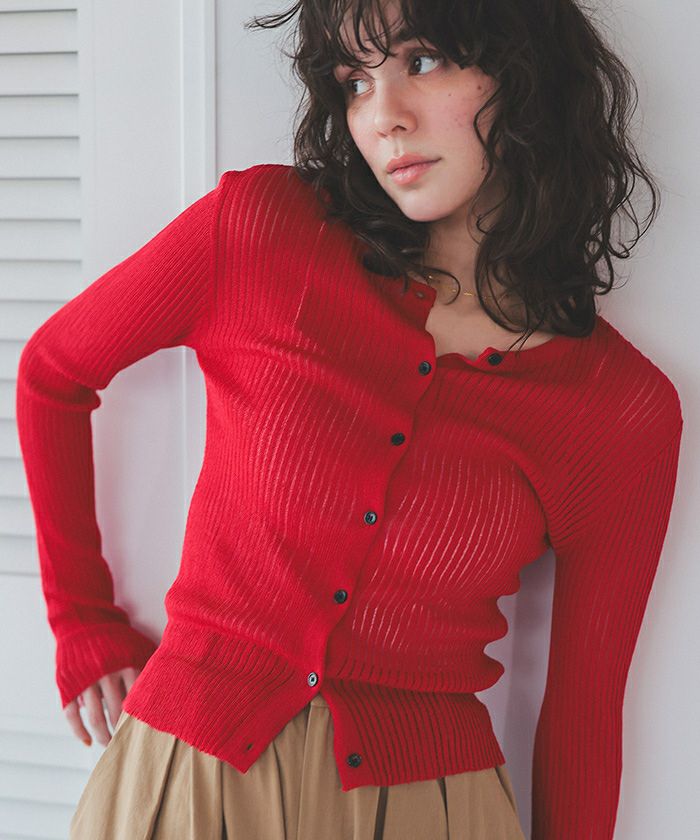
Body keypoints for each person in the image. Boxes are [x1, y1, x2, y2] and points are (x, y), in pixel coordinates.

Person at [15, 1, 683, 838]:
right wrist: (80, 621)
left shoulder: (618, 408)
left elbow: (585, 712)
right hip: (187, 779)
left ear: (525, 72)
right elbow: (52, 373)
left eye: (423, 61)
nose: (383, 116)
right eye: (354, 81)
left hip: (433, 810)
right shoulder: (265, 232)